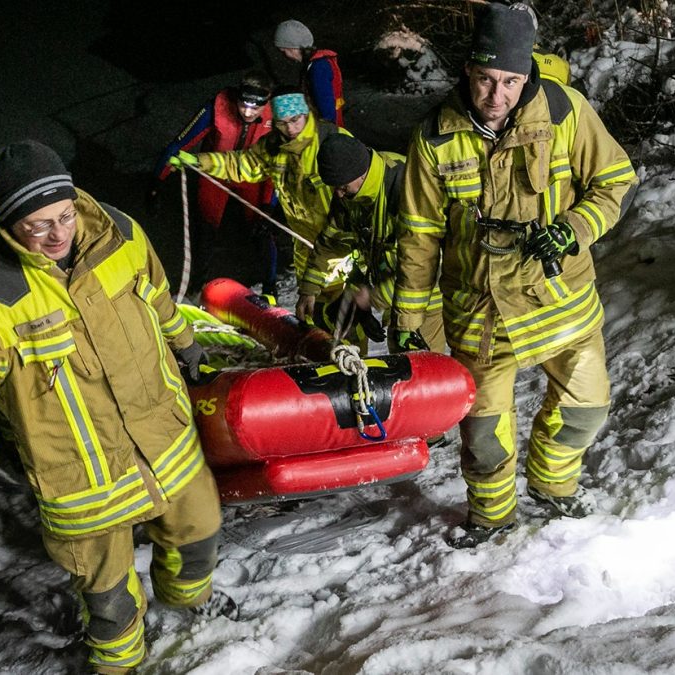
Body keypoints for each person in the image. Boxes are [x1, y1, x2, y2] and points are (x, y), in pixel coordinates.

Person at [0, 140, 237, 674]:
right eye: (38, 226)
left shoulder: (120, 233)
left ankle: (188, 602)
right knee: (109, 600)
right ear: (6, 223)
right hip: (79, 476)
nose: (58, 234)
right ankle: (118, 666)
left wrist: (186, 344)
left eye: (64, 215)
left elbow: (156, 294)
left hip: (164, 437)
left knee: (199, 535)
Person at [392, 3, 638, 548]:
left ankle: (553, 487)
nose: (496, 95)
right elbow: (418, 235)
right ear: (468, 73)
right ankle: (491, 519)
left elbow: (616, 181)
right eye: (484, 79)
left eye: (509, 81)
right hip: (481, 310)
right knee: (484, 435)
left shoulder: (565, 111)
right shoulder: (434, 137)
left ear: (526, 75)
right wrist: (408, 319)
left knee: (587, 410)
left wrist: (574, 227)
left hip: (560, 299)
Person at [170, 88, 354, 316]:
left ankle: (352, 349)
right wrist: (200, 161)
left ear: (307, 113)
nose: (290, 129)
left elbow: (361, 193)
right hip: (305, 244)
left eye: (295, 120)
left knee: (345, 312)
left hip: (340, 242)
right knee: (315, 310)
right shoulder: (274, 146)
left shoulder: (332, 142)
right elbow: (243, 164)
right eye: (283, 122)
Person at [298, 134, 446, 353]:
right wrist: (309, 289)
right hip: (393, 287)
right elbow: (331, 241)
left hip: (424, 297)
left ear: (362, 173)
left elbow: (427, 264)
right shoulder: (349, 192)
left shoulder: (406, 188)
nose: (338, 195)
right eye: (334, 188)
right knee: (400, 358)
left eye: (343, 187)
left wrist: (372, 297)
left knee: (420, 370)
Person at [149, 72, 278, 295]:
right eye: (243, 104)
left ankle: (270, 286)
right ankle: (196, 286)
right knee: (205, 228)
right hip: (215, 173)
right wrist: (156, 183)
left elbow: (277, 165)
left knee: (263, 229)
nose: (247, 112)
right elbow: (179, 144)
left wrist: (269, 205)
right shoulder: (216, 109)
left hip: (252, 175)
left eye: (255, 108)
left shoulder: (276, 119)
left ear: (265, 104)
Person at [274, 19, 345, 127]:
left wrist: (325, 132)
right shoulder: (319, 62)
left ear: (293, 48)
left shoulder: (318, 68)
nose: (284, 56)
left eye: (284, 51)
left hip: (327, 127)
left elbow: (326, 108)